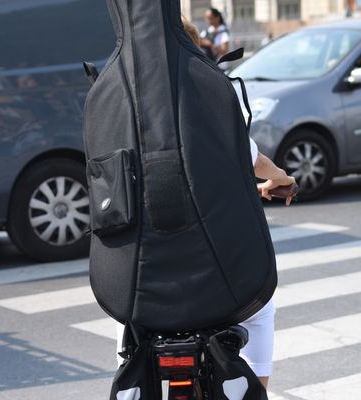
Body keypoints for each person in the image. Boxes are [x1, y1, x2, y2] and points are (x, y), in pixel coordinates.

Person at [116, 18, 296, 392]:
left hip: (148, 277)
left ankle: (129, 383)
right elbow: (255, 160)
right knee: (261, 312)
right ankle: (257, 388)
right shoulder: (207, 108)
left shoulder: (120, 106)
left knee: (128, 328)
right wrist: (280, 178)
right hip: (215, 275)